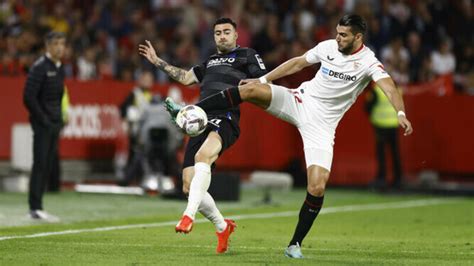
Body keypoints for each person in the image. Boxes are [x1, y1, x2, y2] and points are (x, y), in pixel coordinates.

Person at [165, 14, 413, 258]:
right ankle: (190, 111)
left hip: (322, 126)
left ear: (358, 37)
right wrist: (264, 79)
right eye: (337, 33)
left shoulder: (368, 62)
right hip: (299, 100)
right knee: (250, 88)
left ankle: (295, 244)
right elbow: (297, 63)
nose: (337, 38)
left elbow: (389, 86)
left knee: (317, 186)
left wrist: (400, 111)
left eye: (344, 35)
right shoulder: (328, 47)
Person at [139, 17, 267, 253]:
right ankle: (222, 226)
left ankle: (188, 216)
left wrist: (253, 85)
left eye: (227, 32)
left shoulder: (247, 55)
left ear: (236, 35)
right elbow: (186, 78)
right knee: (189, 187)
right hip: (199, 120)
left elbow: (263, 81)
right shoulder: (210, 61)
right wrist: (157, 61)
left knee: (203, 157)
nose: (222, 36)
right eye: (218, 32)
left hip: (226, 116)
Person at [23, 31, 67, 221]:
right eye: (56, 44)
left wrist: (58, 120)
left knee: (47, 164)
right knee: (40, 164)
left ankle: (38, 206)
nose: (60, 47)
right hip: (43, 125)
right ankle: (34, 207)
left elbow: (58, 97)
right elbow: (28, 97)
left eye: (62, 44)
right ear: (47, 46)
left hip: (54, 124)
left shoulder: (59, 68)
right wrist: (44, 119)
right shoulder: (40, 67)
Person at [118, 70, 155, 186]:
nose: (147, 82)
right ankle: (127, 178)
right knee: (134, 155)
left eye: (149, 80)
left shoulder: (151, 96)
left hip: (147, 130)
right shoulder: (134, 94)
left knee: (141, 156)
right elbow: (123, 109)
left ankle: (136, 178)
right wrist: (128, 124)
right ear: (140, 80)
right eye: (145, 79)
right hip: (136, 130)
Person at [366, 84, 402, 190]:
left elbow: (367, 106)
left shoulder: (377, 91)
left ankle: (382, 178)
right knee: (395, 153)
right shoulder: (398, 89)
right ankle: (398, 178)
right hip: (394, 124)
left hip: (380, 125)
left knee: (381, 154)